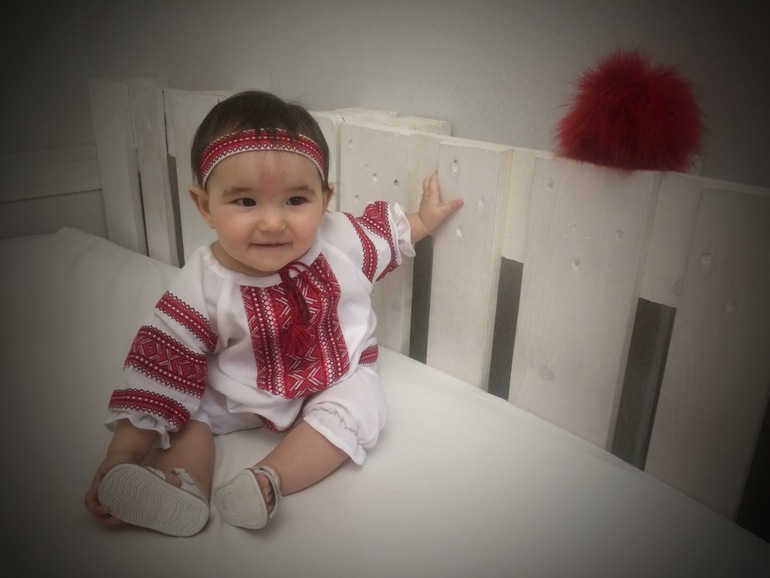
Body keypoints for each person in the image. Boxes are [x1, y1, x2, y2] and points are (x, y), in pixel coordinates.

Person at [84, 90, 463, 536]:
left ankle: (267, 479)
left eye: (295, 201)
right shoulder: (204, 283)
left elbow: (384, 238)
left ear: (324, 199)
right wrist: (122, 453)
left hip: (335, 374)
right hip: (234, 390)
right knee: (187, 408)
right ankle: (180, 486)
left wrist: (423, 219)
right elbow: (160, 362)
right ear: (205, 206)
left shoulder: (339, 239)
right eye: (245, 202)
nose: (272, 223)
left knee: (359, 404)